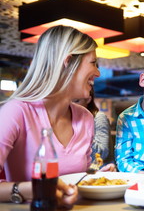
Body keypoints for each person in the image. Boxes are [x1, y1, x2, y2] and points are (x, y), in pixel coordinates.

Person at [0, 25, 116, 207]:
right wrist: (32, 189)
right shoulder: (16, 112)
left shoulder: (85, 118)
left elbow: (75, 178)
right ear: (68, 61)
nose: (98, 73)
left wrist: (98, 175)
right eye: (93, 63)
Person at [73, 86, 114, 165]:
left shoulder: (98, 117)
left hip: (100, 171)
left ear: (88, 99)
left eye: (76, 101)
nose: (72, 105)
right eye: (69, 101)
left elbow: (102, 153)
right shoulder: (71, 119)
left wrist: (81, 133)